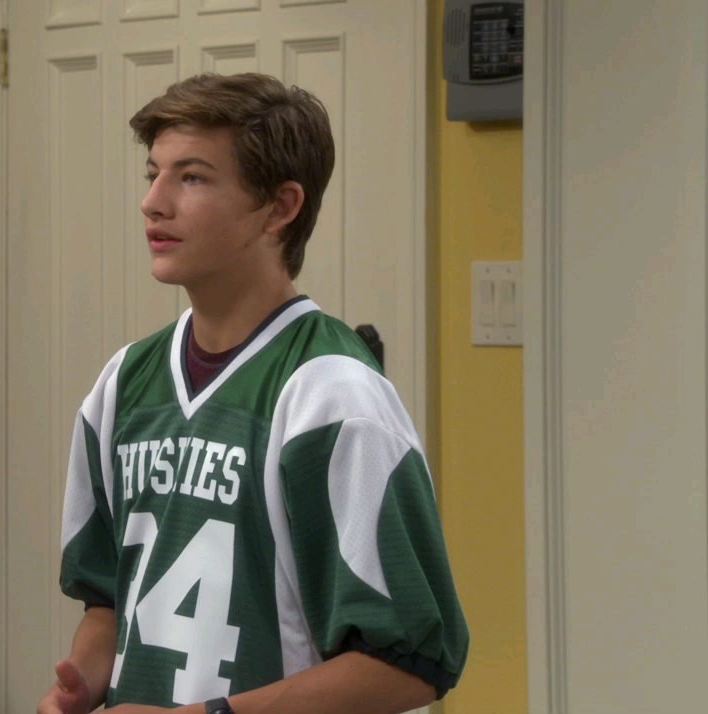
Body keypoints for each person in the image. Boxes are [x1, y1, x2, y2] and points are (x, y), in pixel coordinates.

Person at [39, 73, 469, 714]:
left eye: (192, 177)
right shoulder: (123, 382)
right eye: (153, 174)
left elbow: (410, 665)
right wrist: (83, 681)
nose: (153, 202)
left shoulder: (336, 398)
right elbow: (106, 600)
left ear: (279, 207)